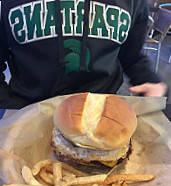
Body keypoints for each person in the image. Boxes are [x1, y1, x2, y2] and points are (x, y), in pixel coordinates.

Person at [0, 0, 167, 109]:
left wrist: (151, 82)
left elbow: (132, 58)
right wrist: (9, 106)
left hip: (101, 113)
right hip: (28, 110)